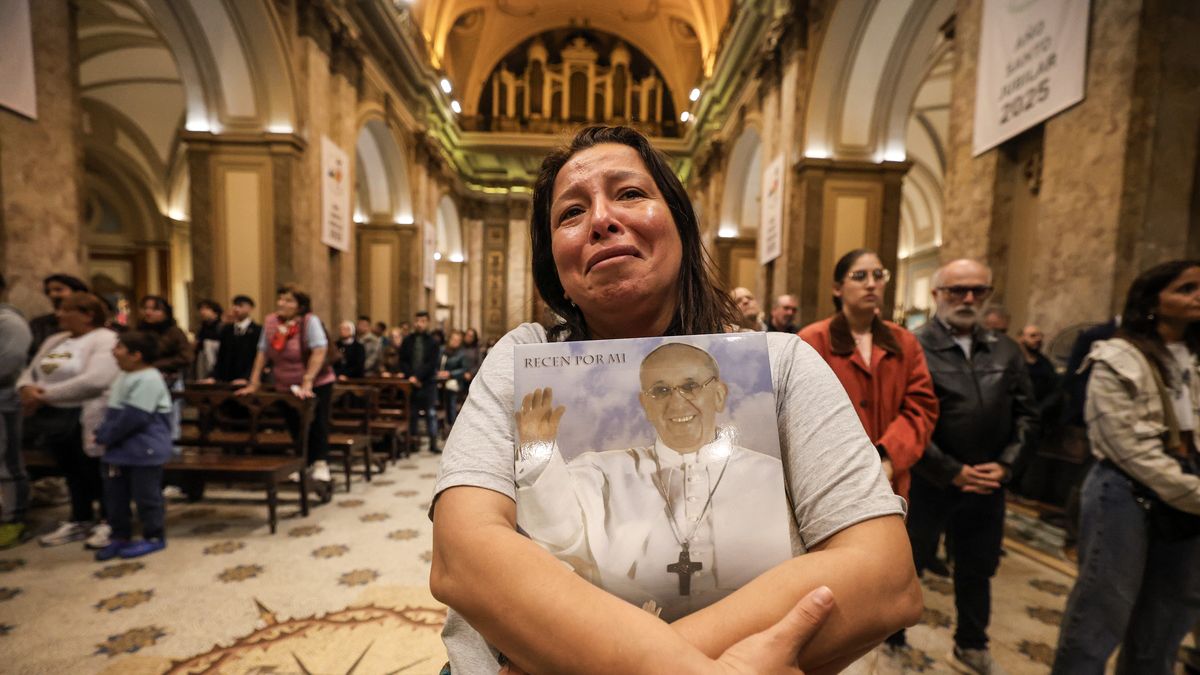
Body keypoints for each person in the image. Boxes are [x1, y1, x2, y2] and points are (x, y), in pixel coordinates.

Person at [429, 126, 922, 674]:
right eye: (571, 213)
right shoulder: (524, 359)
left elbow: (885, 578)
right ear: (557, 271)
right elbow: (463, 557)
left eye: (630, 193)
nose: (600, 219)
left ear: (681, 230)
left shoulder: (782, 363)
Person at [515, 342, 793, 621]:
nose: (676, 402)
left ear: (719, 395)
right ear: (645, 404)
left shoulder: (770, 474)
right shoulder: (605, 472)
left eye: (690, 386)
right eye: (660, 391)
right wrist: (538, 457)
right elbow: (559, 538)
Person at [1052, 260, 1200, 675]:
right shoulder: (1116, 356)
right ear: (1153, 300)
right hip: (1126, 490)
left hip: (1187, 493)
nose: (1197, 297)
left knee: (1168, 616)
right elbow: (1129, 449)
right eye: (1185, 289)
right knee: (1102, 610)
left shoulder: (1193, 354)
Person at [906, 259, 1038, 674]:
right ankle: (891, 638)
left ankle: (971, 644)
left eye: (977, 291)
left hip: (988, 482)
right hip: (929, 479)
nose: (967, 299)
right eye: (956, 290)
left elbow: (1028, 415)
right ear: (936, 295)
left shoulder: (1006, 349)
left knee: (977, 567)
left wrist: (1005, 466)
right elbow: (907, 417)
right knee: (908, 564)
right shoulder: (914, 345)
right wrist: (950, 470)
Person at [798, 249, 938, 500]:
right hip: (831, 476)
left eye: (878, 275)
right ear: (838, 289)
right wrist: (853, 465)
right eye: (860, 276)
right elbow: (802, 414)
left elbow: (920, 408)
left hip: (891, 474)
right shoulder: (811, 340)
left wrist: (887, 457)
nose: (872, 284)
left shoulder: (905, 342)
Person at [18, 293, 119, 547]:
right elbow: (31, 370)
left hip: (86, 413)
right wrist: (26, 388)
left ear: (88, 314)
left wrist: (44, 396)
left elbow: (96, 380)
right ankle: (80, 518)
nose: (59, 314)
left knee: (97, 469)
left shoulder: (104, 339)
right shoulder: (56, 340)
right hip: (52, 414)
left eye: (66, 309)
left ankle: (110, 520)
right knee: (72, 471)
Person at [236, 285, 335, 495]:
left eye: (289, 300)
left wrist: (308, 381)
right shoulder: (271, 321)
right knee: (293, 422)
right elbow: (262, 352)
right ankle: (301, 462)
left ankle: (320, 464)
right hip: (285, 383)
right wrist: (254, 382)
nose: (282, 303)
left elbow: (319, 350)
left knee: (317, 422)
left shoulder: (309, 321)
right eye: (281, 298)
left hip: (317, 382)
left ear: (300, 306)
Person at [92, 331, 172, 561]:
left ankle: (154, 536)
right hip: (120, 450)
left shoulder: (149, 378)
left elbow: (135, 417)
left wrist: (107, 435)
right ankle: (120, 536)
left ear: (136, 355)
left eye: (119, 347)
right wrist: (104, 432)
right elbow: (115, 413)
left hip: (144, 449)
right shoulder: (124, 375)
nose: (114, 351)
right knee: (115, 497)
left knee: (146, 496)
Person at [0, 274, 33, 548]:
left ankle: (13, 518)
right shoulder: (60, 340)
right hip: (35, 398)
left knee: (7, 463)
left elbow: (10, 365)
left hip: (5, 401)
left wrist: (45, 391)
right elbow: (41, 367)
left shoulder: (10, 322)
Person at [398, 311, 441, 452]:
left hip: (427, 382)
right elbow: (403, 361)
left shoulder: (433, 342)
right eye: (417, 321)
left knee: (431, 413)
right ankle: (413, 443)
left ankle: (433, 443)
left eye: (423, 321)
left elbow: (432, 363)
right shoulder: (407, 340)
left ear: (427, 322)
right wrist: (411, 376)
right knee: (413, 413)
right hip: (411, 383)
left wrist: (418, 377)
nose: (419, 324)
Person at [27, 274, 89, 360]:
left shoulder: (90, 323)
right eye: (48, 291)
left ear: (77, 292)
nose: (52, 295)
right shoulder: (39, 323)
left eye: (58, 290)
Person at [137, 296, 193, 388]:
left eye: (155, 309)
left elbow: (186, 357)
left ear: (165, 313)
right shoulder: (138, 331)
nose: (148, 312)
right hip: (141, 378)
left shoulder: (174, 332)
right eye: (145, 308)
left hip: (168, 378)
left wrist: (156, 364)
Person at [209, 295, 261, 384]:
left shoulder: (258, 330)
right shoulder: (227, 330)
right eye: (235, 305)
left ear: (250, 308)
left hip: (248, 380)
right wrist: (214, 377)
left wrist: (247, 378)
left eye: (240, 306)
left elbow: (258, 358)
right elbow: (221, 357)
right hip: (227, 380)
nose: (236, 309)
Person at [437, 330, 471, 429]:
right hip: (438, 380)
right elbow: (435, 363)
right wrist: (438, 372)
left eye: (458, 340)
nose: (455, 342)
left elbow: (464, 369)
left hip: (454, 381)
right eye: (453, 339)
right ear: (449, 339)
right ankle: (440, 425)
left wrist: (450, 374)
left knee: (450, 396)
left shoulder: (462, 354)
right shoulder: (442, 350)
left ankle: (451, 424)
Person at [193, 299, 224, 380]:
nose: (202, 311)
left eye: (206, 309)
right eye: (201, 309)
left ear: (215, 312)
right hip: (201, 357)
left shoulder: (222, 327)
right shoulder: (202, 327)